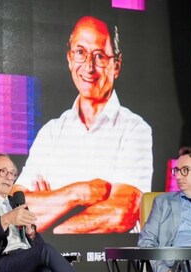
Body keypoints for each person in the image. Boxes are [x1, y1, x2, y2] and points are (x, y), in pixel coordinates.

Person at [14, 15, 152, 234]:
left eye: (99, 56)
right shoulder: (51, 133)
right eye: (80, 53)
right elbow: (16, 208)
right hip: (48, 264)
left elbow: (120, 215)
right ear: (69, 58)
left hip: (110, 263)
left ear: (116, 65)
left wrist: (50, 217)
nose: (89, 67)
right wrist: (79, 193)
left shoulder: (135, 129)